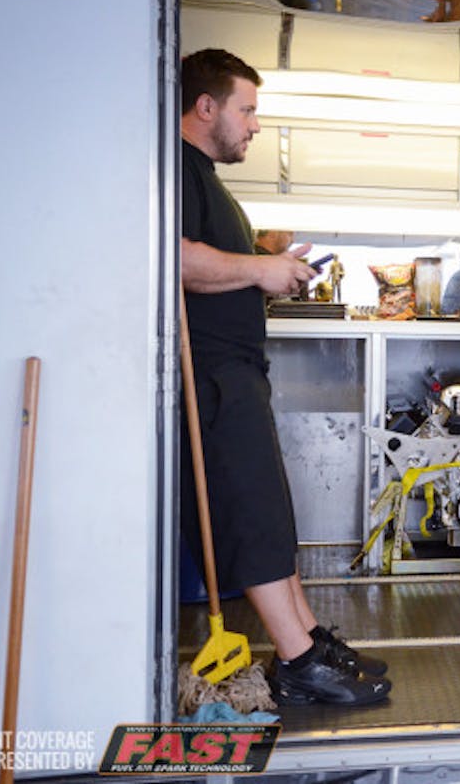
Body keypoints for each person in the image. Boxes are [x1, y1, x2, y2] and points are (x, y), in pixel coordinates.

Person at [179, 48, 391, 706]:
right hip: (210, 378)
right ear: (206, 106)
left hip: (236, 371)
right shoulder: (175, 169)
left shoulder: (204, 177)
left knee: (272, 516)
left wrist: (263, 261)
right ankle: (299, 663)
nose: (254, 125)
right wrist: (261, 271)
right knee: (251, 515)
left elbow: (211, 263)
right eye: (247, 109)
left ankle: (303, 636)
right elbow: (174, 259)